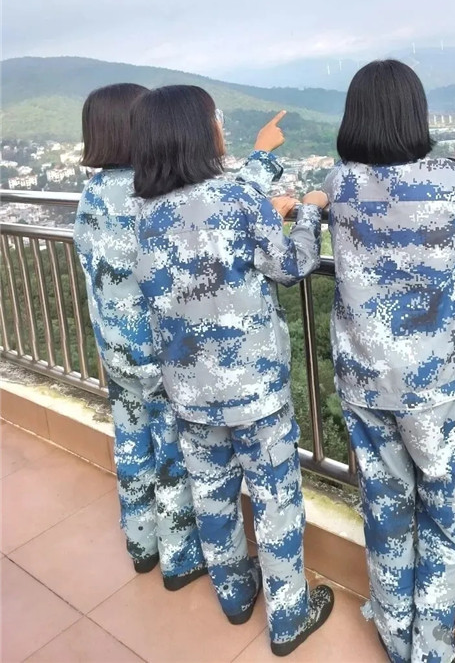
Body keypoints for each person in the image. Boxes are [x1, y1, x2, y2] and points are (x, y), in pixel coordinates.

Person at [131, 85, 334, 656]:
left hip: (188, 390)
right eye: (215, 118)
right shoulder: (238, 200)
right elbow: (291, 265)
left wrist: (262, 168)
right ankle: (288, 616)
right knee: (274, 500)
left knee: (212, 495)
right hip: (254, 389)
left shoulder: (144, 213)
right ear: (201, 133)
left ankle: (235, 595)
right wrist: (307, 213)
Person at [322, 60, 455, 663]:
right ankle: (433, 648)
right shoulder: (450, 180)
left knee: (386, 506)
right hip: (436, 384)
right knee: (445, 512)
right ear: (415, 115)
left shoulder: (339, 185)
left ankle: (397, 638)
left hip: (365, 379)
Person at [73, 83, 206, 589]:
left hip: (115, 348)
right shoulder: (144, 192)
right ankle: (180, 559)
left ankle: (141, 544)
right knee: (172, 452)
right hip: (155, 354)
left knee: (131, 442)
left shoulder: (93, 193)